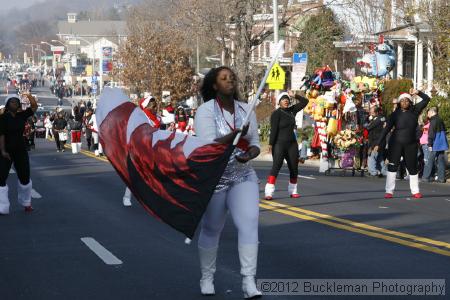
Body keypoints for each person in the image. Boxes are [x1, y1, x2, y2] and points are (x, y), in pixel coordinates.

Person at [194, 66, 262, 298]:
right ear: (215, 85)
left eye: (232, 77)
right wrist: (235, 134)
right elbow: (208, 145)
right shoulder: (205, 111)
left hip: (242, 174)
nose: (230, 80)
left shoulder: (246, 109)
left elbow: (255, 142)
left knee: (250, 222)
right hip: (215, 178)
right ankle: (207, 277)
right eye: (224, 78)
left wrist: (250, 153)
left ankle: (248, 281)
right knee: (212, 228)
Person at [374, 89, 430, 199]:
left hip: (411, 144)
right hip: (395, 144)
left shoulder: (415, 110)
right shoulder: (394, 115)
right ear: (399, 103)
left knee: (412, 167)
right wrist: (378, 143)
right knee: (392, 167)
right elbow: (386, 130)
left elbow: (427, 99)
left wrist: (418, 92)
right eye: (402, 101)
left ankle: (415, 191)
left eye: (407, 100)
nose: (404, 102)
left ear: (410, 102)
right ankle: (389, 191)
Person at [264, 91, 308, 200]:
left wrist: (295, 95)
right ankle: (269, 192)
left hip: (292, 144)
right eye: (283, 99)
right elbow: (274, 130)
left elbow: (305, 101)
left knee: (294, 168)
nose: (286, 101)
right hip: (279, 144)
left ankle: (293, 191)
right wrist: (270, 144)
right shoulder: (276, 113)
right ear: (279, 102)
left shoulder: (293, 110)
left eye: (287, 99)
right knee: (276, 166)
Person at [0, 94, 38, 214]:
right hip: (6, 150)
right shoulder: (2, 118)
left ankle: (26, 203)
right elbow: (1, 135)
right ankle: (3, 206)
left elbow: (34, 107)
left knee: (25, 177)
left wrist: (29, 96)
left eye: (16, 102)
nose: (15, 104)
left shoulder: (22, 115)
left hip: (20, 149)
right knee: (1, 178)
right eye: (12, 102)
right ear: (7, 105)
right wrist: (3, 151)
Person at [422, 107, 448, 183]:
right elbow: (444, 130)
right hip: (442, 143)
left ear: (432, 112)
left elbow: (431, 133)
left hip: (435, 143)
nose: (428, 114)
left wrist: (429, 144)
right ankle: (441, 178)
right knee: (441, 160)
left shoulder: (433, 121)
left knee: (430, 160)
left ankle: (426, 177)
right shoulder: (440, 119)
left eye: (429, 112)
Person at [366, 106, 386, 177]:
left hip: (376, 141)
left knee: (371, 156)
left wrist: (367, 122)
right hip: (380, 141)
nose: (370, 113)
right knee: (380, 158)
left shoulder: (378, 119)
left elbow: (369, 127)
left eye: (372, 111)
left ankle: (373, 172)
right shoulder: (382, 118)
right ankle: (384, 172)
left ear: (377, 112)